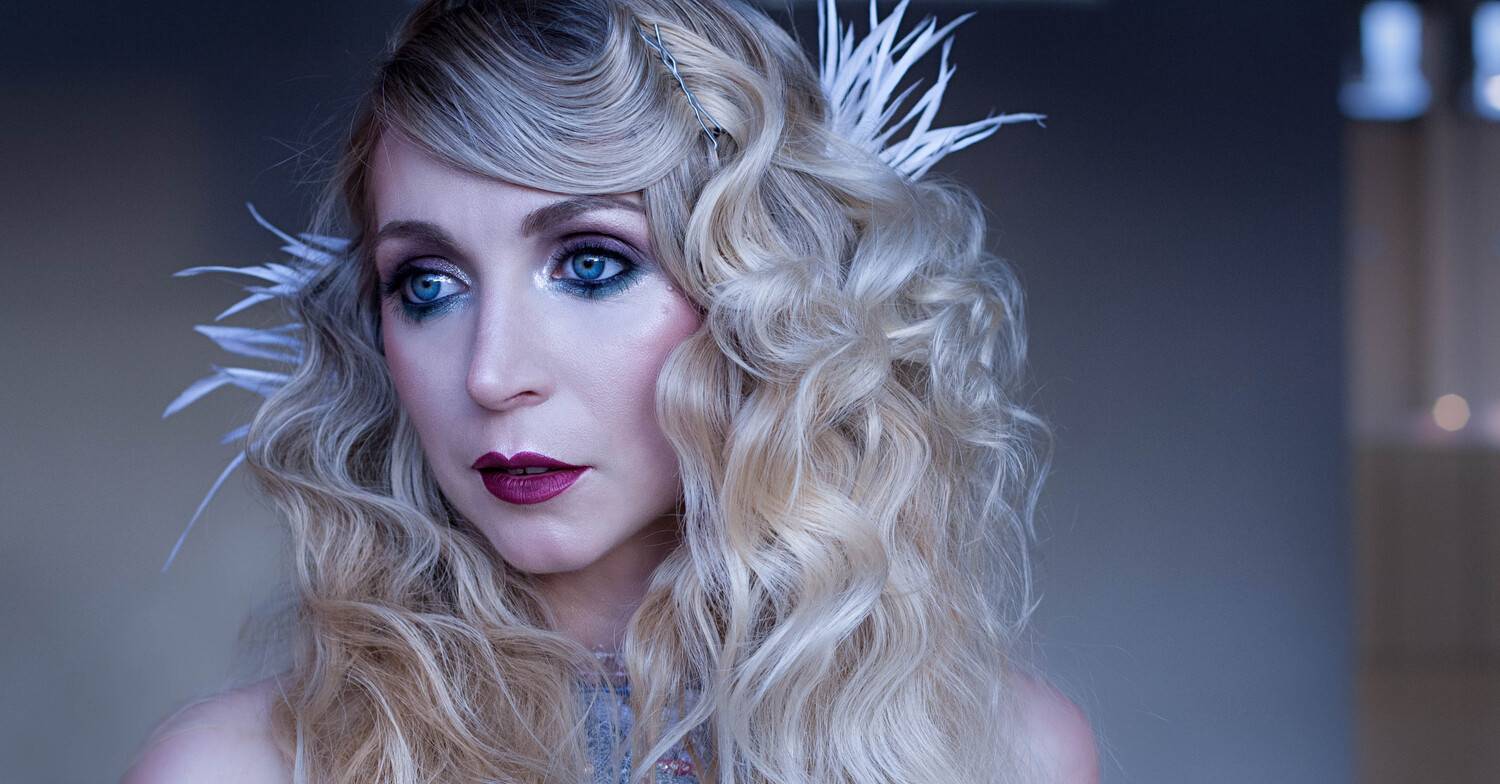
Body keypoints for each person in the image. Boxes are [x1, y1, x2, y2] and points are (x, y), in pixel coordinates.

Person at [123, 0, 1098, 781]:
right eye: (427, 285)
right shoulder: (235, 771)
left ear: (762, 298)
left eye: (591, 264)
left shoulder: (1007, 757)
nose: (493, 374)